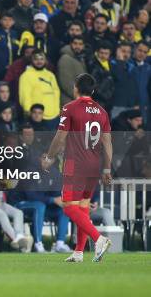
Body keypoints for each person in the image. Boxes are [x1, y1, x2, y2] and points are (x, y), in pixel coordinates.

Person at [43, 73, 113, 263]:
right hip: (94, 165)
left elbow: (60, 136)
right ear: (92, 90)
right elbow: (107, 143)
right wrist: (107, 169)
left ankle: (99, 238)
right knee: (83, 207)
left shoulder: (70, 108)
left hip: (75, 164)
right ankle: (79, 252)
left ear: (75, 88)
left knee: (68, 207)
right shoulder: (102, 111)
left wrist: (49, 157)